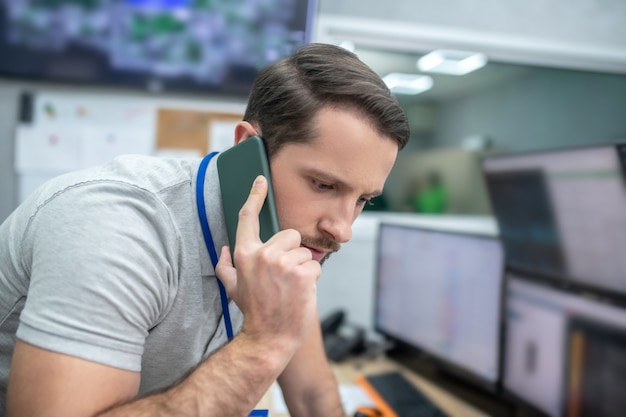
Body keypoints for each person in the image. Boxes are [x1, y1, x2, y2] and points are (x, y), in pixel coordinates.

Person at [0, 43, 409, 416]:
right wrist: (264, 343)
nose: (342, 229)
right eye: (323, 185)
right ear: (247, 148)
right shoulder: (114, 224)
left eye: (362, 200)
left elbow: (312, 397)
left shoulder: (283, 244)